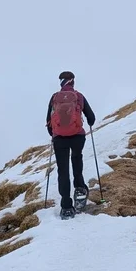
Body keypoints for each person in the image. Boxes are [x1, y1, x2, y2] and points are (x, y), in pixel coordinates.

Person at [46, 71, 96, 219]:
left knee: (63, 170)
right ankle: (80, 188)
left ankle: (66, 206)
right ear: (73, 81)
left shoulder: (54, 98)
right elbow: (91, 118)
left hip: (59, 139)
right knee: (76, 158)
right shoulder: (79, 96)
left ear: (61, 82)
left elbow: (49, 122)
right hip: (77, 137)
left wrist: (55, 133)